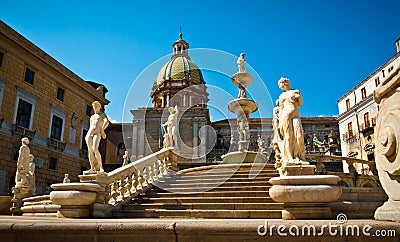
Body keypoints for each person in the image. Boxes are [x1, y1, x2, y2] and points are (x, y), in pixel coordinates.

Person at [276, 77, 306, 166]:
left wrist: (299, 97)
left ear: (284, 83)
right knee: (288, 137)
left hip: (296, 115)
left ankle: (298, 156)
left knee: (299, 135)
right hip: (285, 115)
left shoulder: (296, 91)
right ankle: (289, 157)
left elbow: (300, 104)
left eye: (280, 85)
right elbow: (281, 109)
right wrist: (280, 122)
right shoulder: (281, 96)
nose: (280, 87)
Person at [85, 101, 109, 173]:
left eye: (96, 106)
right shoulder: (92, 117)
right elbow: (91, 126)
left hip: (97, 133)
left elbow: (106, 122)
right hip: (90, 133)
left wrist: (102, 129)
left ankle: (101, 167)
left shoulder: (102, 115)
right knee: (90, 150)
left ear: (99, 107)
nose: (95, 108)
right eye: (94, 107)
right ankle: (92, 168)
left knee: (95, 148)